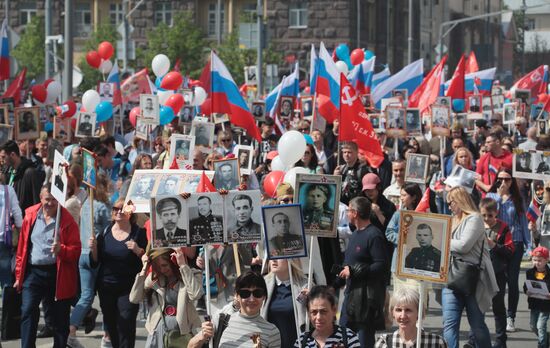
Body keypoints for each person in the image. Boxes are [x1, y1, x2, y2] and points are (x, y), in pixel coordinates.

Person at [14, 185, 81, 348]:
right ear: (40, 198)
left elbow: (76, 251)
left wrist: (61, 250)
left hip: (57, 274)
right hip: (33, 273)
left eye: (54, 200)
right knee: (28, 311)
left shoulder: (66, 220)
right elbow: (22, 248)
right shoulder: (30, 215)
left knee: (59, 320)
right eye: (47, 199)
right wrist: (18, 276)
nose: (50, 203)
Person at [442, 187, 498, 348]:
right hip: (450, 276)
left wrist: (440, 240)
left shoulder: (475, 218)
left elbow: (463, 246)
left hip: (472, 278)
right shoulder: (451, 220)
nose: (449, 206)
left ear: (460, 200)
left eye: (451, 202)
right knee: (449, 325)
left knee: (477, 326)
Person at [90, 199, 147, 348]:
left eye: (123, 208)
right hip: (106, 287)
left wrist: (137, 250)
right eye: (116, 208)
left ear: (131, 212)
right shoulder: (105, 232)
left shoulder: (139, 233)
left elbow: (147, 259)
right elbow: (95, 262)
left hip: (129, 288)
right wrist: (94, 249)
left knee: (126, 323)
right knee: (111, 325)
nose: (119, 211)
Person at [67, 174, 112, 347]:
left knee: (85, 296)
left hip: (82, 253)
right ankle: (107, 336)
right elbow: (109, 230)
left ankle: (70, 331)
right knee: (106, 297)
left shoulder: (84, 204)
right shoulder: (100, 206)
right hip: (96, 254)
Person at [464, 197, 514, 348]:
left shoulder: (503, 228)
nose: (487, 219)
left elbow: (511, 250)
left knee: (498, 307)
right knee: (477, 307)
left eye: (490, 215)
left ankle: (500, 341)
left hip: (497, 273)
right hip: (478, 273)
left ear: (496, 213)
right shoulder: (475, 225)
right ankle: (473, 340)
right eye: (484, 215)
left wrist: (494, 245)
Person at [339, 196, 388, 347]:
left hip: (366, 300)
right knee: (344, 337)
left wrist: (354, 271)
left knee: (363, 341)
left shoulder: (374, 235)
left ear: (355, 213)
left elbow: (381, 265)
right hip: (350, 295)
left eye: (348, 210)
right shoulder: (355, 234)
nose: (347, 213)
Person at [485, 169, 530, 333]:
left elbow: (523, 222)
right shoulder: (492, 197)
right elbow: (486, 213)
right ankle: (499, 313)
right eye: (501, 179)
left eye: (507, 179)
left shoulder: (517, 199)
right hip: (496, 242)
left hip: (515, 242)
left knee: (512, 281)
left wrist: (529, 245)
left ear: (512, 181)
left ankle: (511, 316)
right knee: (497, 280)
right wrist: (498, 194)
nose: (504, 182)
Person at [130, 247, 203, 347]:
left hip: (182, 333)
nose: (162, 269)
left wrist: (182, 265)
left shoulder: (192, 274)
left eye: (164, 265)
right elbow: (134, 298)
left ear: (173, 261)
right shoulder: (155, 277)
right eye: (157, 266)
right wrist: (144, 270)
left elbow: (195, 295)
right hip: (158, 331)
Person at [188, 271, 281, 347]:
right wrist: (202, 336)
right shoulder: (221, 320)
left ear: (264, 296)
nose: (252, 299)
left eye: (257, 293)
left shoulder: (272, 331)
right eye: (245, 293)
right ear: (237, 295)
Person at [374, 287, 447, 347]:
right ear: (392, 312)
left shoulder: (437, 343)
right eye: (398, 310)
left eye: (408, 310)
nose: (403, 316)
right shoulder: (384, 343)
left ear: (419, 313)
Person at [294, 285, 360, 347]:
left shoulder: (349, 338)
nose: (318, 317)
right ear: (308, 313)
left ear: (334, 310)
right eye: (314, 312)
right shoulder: (302, 341)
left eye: (323, 311)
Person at [262, 258, 308, 348]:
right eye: (272, 256)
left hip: (296, 344)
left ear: (291, 260)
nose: (273, 260)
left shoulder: (305, 285)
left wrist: (312, 299)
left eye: (279, 256)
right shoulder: (263, 284)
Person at [0, 140, 45, 211]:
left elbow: (37, 202)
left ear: (12, 155)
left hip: (24, 219)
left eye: (3, 157)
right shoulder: (7, 172)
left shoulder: (30, 173)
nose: (1, 160)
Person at [524, 246, 550, 348]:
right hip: (534, 303)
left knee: (540, 326)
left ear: (546, 260)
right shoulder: (530, 273)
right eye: (534, 260)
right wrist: (527, 292)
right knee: (533, 326)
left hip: (546, 304)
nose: (536, 263)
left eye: (540, 260)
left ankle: (542, 345)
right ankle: (545, 338)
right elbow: (526, 286)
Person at [476, 127, 513, 194]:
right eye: (485, 142)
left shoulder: (510, 157)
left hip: (506, 196)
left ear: (497, 142)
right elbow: (476, 178)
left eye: (488, 142)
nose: (485, 145)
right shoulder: (484, 158)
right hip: (488, 197)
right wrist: (485, 187)